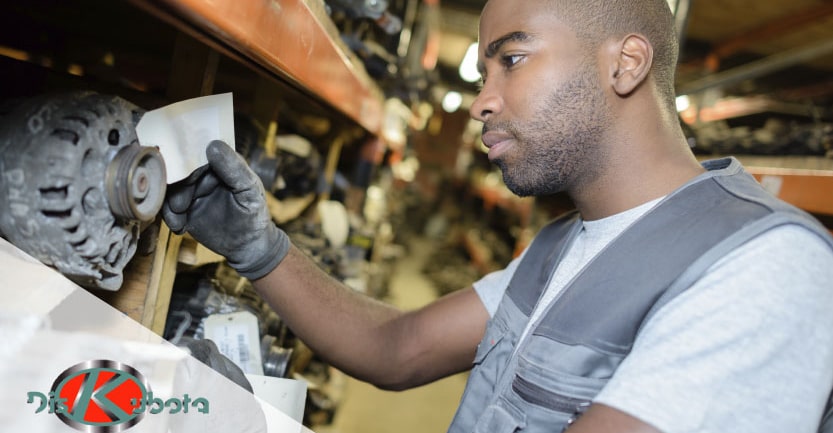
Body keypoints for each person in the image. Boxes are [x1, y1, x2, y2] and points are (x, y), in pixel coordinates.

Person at [162, 0, 833, 431]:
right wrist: (260, 249)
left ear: (624, 64)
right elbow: (397, 348)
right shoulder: (562, 244)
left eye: (510, 60)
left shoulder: (767, 266)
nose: (481, 103)